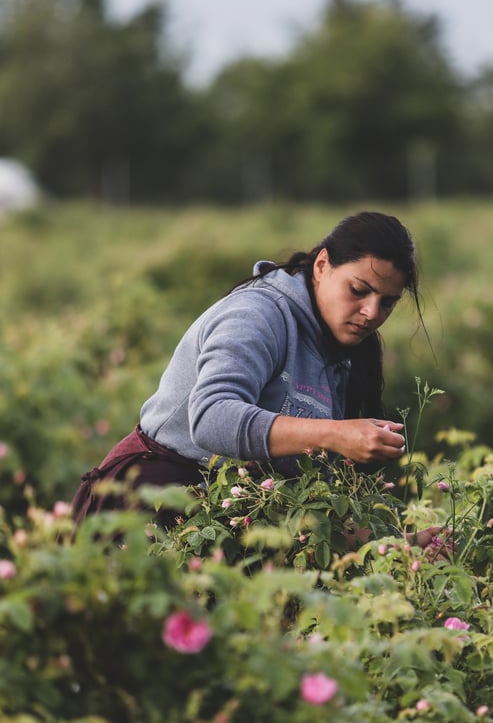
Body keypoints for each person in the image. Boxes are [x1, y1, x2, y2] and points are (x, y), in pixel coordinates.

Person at [71, 210, 443, 551]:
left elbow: (302, 501)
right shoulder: (257, 314)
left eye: (387, 303)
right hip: (147, 510)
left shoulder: (339, 351)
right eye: (359, 291)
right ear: (322, 265)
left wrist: (397, 546)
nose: (371, 313)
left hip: (226, 522)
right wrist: (336, 434)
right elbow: (211, 418)